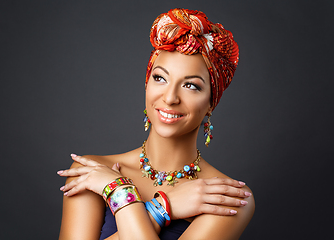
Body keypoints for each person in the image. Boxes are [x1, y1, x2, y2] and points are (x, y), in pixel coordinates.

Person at [58, 8, 255, 240]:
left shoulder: (226, 196)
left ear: (211, 102)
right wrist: (162, 206)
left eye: (191, 85)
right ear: (147, 84)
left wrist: (120, 194)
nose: (170, 97)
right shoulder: (92, 172)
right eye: (160, 78)